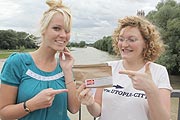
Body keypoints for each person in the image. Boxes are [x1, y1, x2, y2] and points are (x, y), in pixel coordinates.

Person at [77, 16, 172, 120]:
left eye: (132, 39)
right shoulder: (107, 67)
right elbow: (97, 112)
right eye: (121, 39)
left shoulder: (159, 72)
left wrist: (151, 90)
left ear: (146, 43)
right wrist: (90, 103)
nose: (124, 44)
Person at [0, 0, 80, 120]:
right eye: (57, 28)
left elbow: (74, 109)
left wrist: (68, 71)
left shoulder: (64, 66)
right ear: (43, 29)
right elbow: (3, 113)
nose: (63, 35)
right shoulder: (17, 63)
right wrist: (31, 105)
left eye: (67, 30)